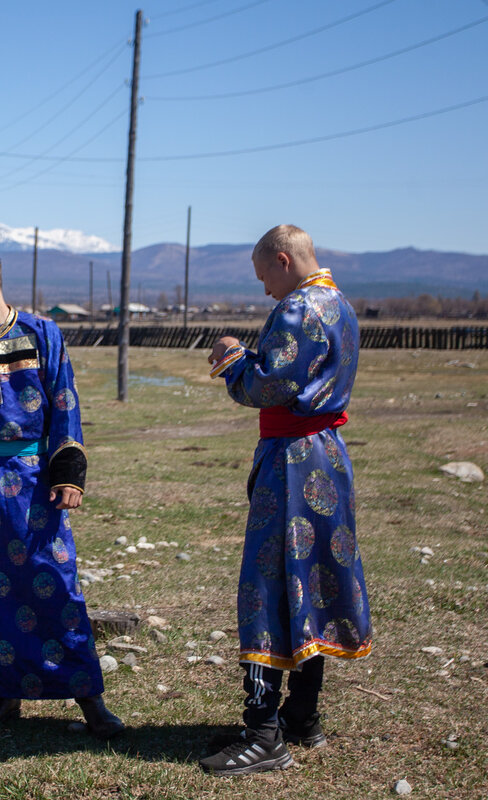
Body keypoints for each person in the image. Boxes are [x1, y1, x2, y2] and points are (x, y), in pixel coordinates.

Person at [0, 244, 123, 738]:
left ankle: (89, 699)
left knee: (52, 582)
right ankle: (3, 694)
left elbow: (64, 403)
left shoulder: (43, 334)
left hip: (32, 483)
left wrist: (68, 471)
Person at [200, 225, 372, 776]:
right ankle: (302, 715)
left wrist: (231, 357)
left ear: (282, 261)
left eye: (264, 279)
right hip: (327, 455)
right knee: (312, 580)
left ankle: (263, 732)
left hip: (292, 462)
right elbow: (300, 378)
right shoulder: (340, 304)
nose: (266, 293)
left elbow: (270, 387)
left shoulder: (300, 308)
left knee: (270, 583)